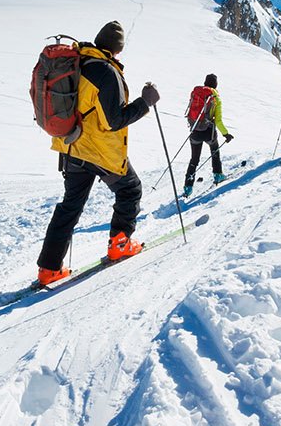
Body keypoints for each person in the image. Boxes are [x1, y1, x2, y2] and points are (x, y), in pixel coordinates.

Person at [35, 21, 159, 286]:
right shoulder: (105, 71)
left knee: (70, 205)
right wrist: (145, 102)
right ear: (117, 50)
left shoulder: (78, 62)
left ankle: (48, 269)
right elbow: (115, 120)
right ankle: (120, 244)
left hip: (71, 146)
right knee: (130, 190)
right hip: (98, 151)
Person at [182, 73, 233, 195]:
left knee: (194, 159)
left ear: (205, 83)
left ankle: (188, 187)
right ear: (216, 85)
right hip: (209, 132)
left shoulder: (196, 94)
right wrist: (226, 134)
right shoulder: (215, 97)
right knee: (215, 152)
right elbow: (218, 121)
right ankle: (218, 175)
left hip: (195, 130)